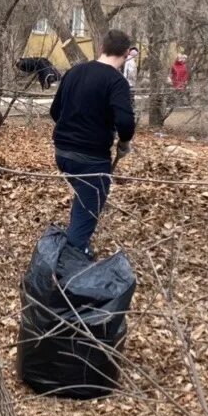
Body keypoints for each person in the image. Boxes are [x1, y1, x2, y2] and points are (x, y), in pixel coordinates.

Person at [50, 29, 135, 256]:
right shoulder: (117, 82)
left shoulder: (74, 72)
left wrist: (72, 128)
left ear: (101, 48)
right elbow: (126, 123)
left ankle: (76, 239)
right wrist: (124, 143)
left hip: (62, 153)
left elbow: (55, 111)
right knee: (87, 208)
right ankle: (71, 262)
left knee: (83, 199)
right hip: (90, 160)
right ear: (127, 53)